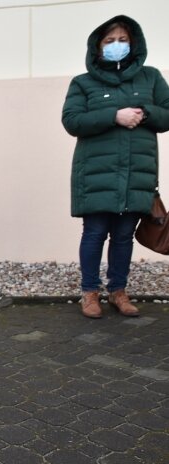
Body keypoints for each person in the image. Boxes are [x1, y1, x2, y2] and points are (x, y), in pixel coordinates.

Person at [62, 15, 169, 319]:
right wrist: (115, 115)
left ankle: (118, 291)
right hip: (96, 173)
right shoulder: (83, 83)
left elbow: (167, 114)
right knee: (95, 233)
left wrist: (145, 112)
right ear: (97, 48)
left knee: (123, 236)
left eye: (122, 40)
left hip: (137, 173)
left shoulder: (150, 78)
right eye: (109, 41)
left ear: (134, 44)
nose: (116, 45)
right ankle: (90, 292)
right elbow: (72, 121)